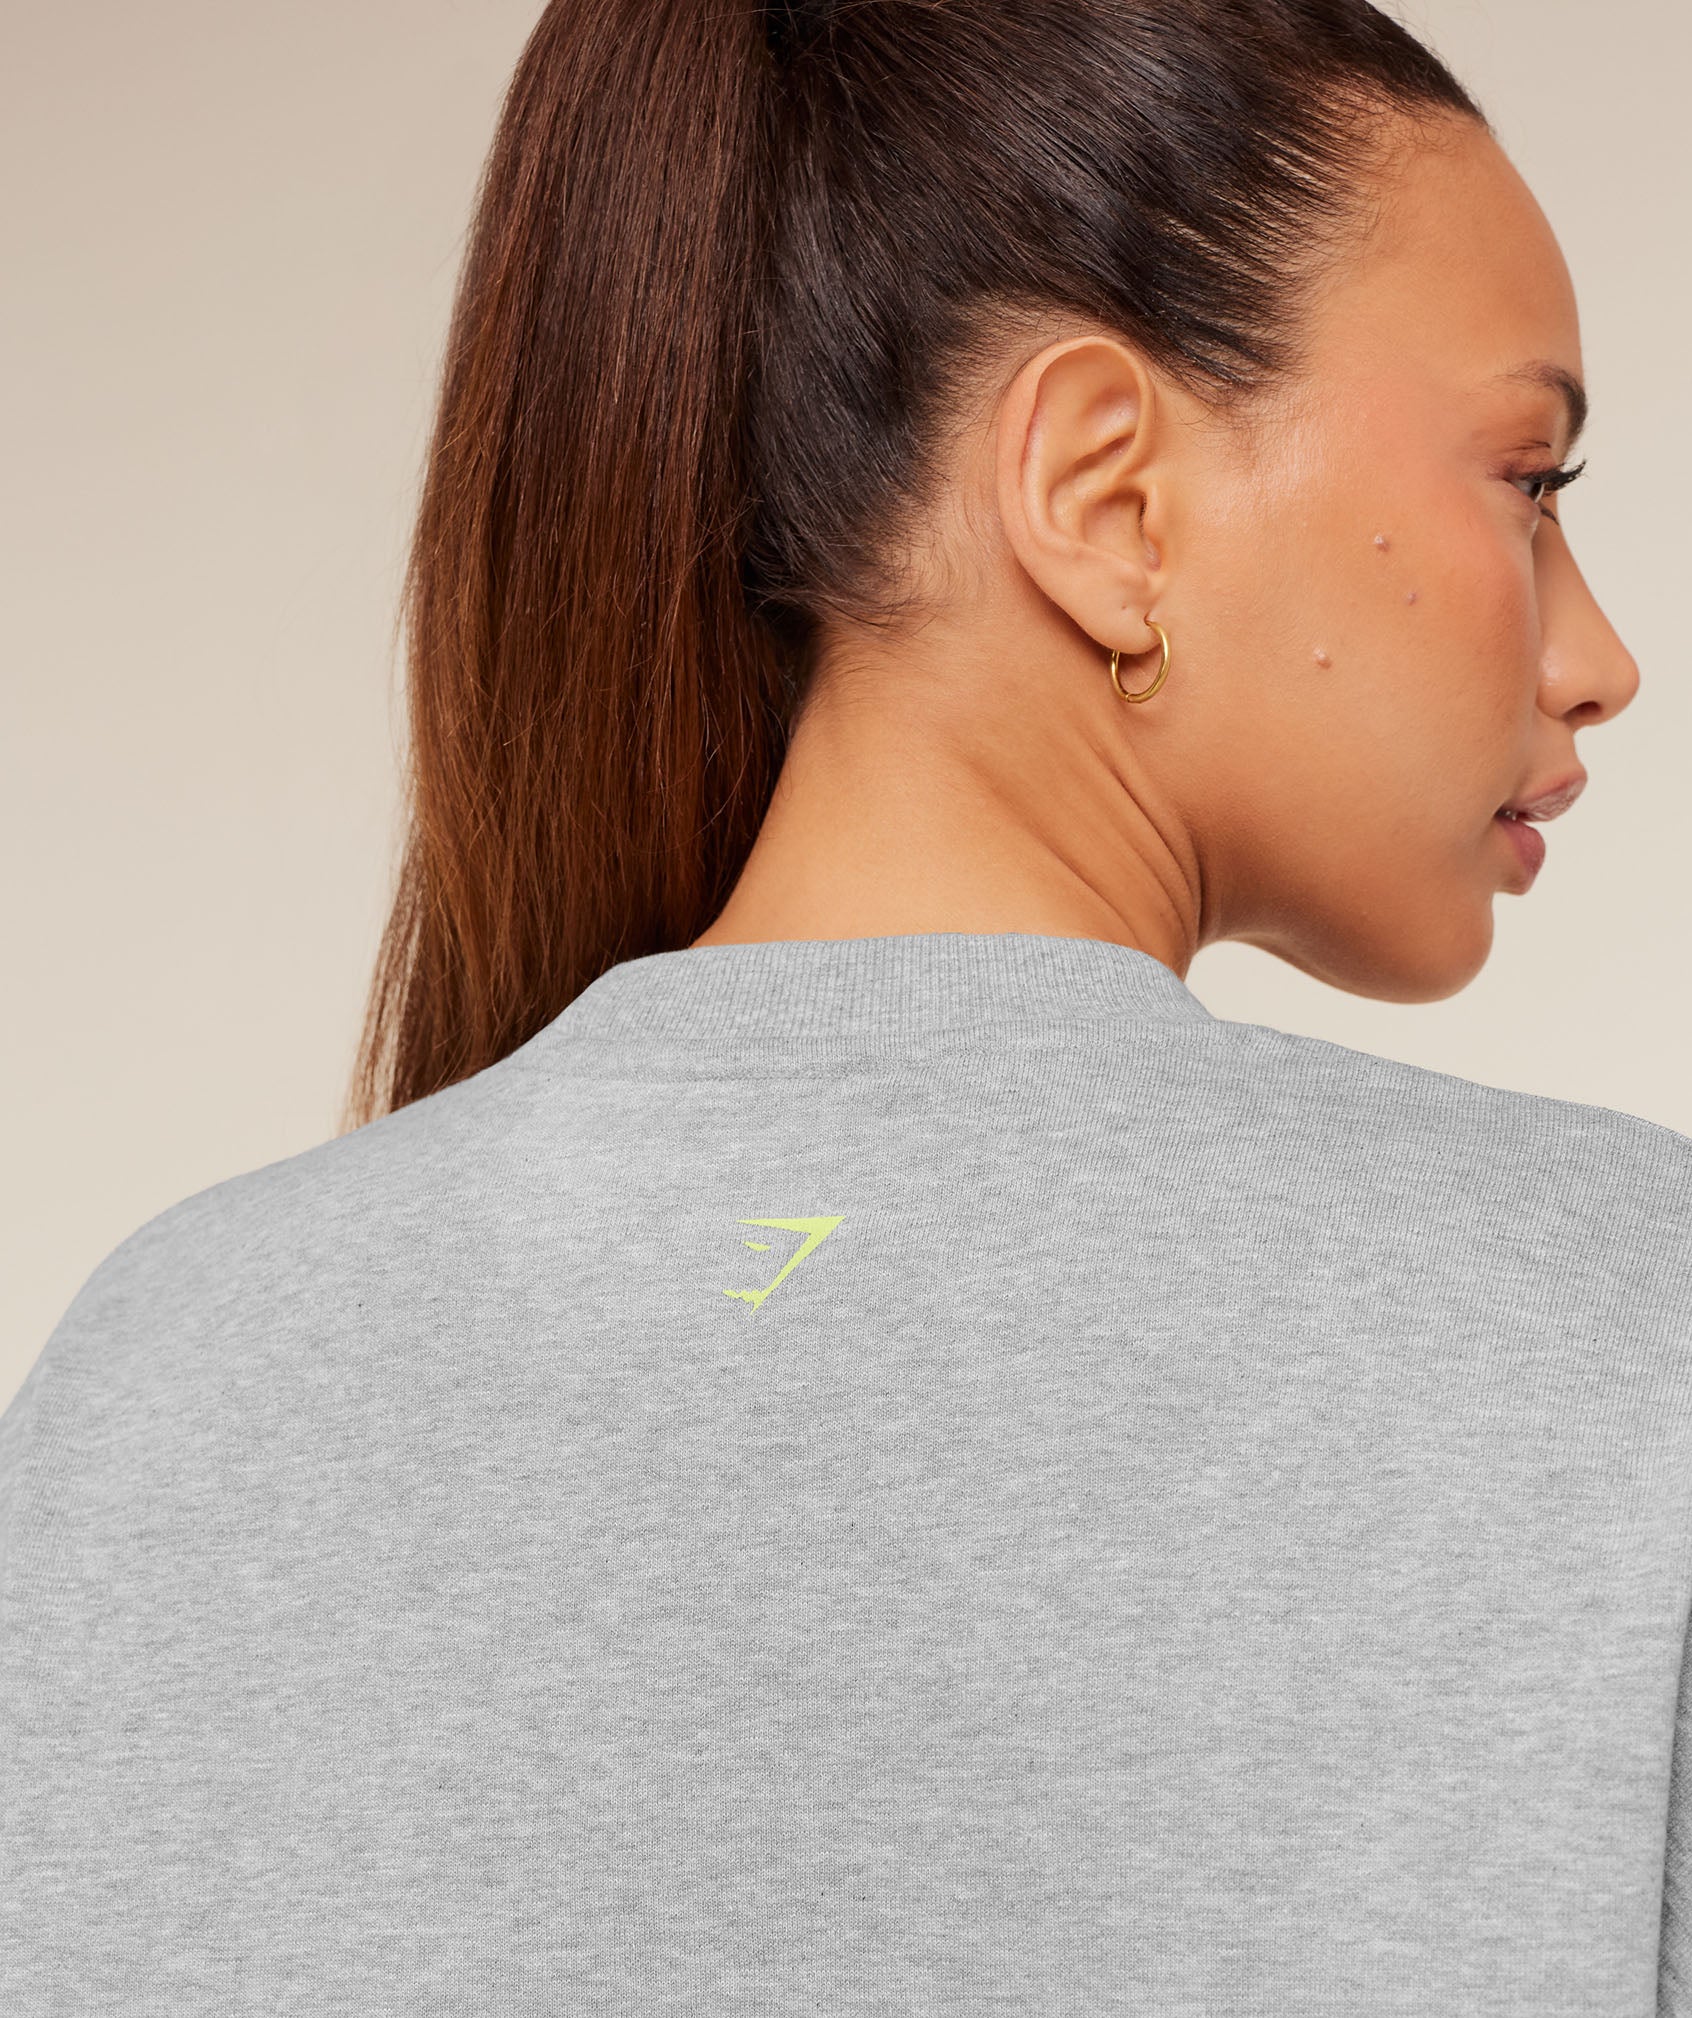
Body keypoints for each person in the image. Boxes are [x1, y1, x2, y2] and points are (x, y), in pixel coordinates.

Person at [2, 1, 1685, 2010]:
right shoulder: (1632, 1329)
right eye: (1528, 477)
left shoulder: (161, 1384)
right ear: (1108, 498)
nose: (1598, 657)